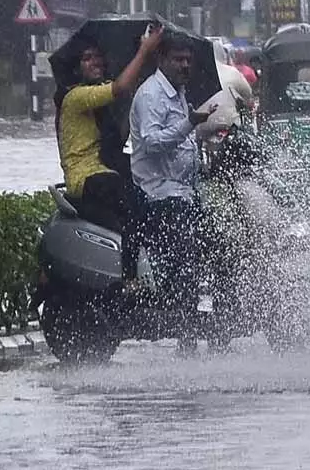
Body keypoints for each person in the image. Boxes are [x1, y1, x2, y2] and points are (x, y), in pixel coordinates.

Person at [129, 34, 221, 347]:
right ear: (161, 60)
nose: (184, 65)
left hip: (183, 191)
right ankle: (186, 335)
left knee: (220, 244)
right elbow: (153, 143)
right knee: (186, 260)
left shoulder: (179, 93)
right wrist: (189, 124)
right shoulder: (152, 95)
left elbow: (183, 144)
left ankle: (218, 323)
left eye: (188, 60)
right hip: (160, 195)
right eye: (177, 59)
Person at [57, 22, 162, 236]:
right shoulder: (76, 97)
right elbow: (120, 87)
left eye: (97, 56)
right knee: (134, 205)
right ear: (76, 68)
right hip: (86, 177)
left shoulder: (97, 101)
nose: (95, 62)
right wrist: (144, 51)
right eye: (87, 58)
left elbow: (119, 137)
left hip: (105, 169)